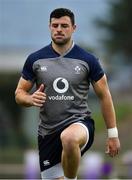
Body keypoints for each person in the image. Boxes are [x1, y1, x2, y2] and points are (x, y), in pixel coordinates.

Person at [15, 8, 120, 179]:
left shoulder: (88, 60)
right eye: (55, 25)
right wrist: (30, 98)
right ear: (49, 26)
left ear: (74, 28)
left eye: (64, 25)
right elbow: (19, 93)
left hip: (79, 124)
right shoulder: (35, 59)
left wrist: (113, 134)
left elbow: (105, 96)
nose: (59, 29)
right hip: (48, 132)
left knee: (69, 138)